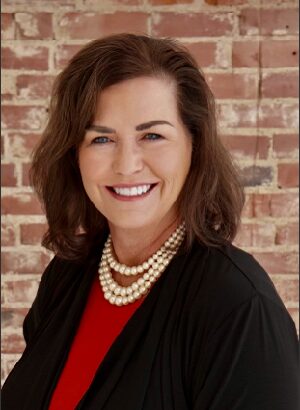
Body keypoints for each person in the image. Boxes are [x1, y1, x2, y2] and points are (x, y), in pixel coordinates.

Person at [2, 33, 299, 410]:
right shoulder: (67, 275)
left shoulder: (238, 307)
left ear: (195, 146)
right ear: (73, 154)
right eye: (101, 139)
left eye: (153, 135)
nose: (127, 165)